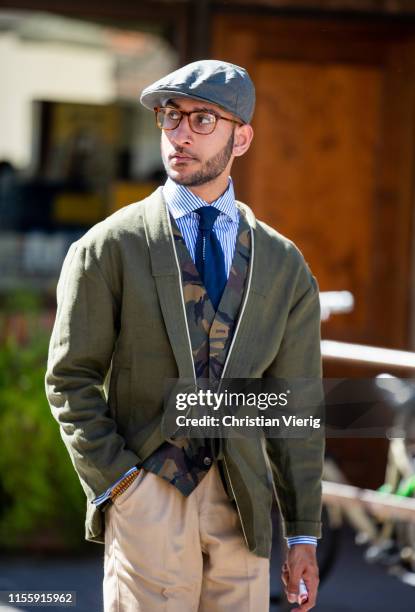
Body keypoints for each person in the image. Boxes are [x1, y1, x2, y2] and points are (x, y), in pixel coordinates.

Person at [45, 59, 324, 612]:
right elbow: (69, 379)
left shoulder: (283, 264)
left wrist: (303, 534)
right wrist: (122, 485)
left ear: (241, 138)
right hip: (148, 495)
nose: (179, 134)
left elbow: (294, 404)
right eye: (171, 118)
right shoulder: (108, 247)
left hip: (242, 510)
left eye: (202, 120)